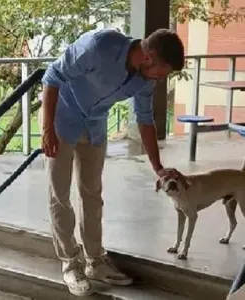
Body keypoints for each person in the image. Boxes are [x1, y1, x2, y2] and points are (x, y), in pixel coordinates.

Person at [40, 27, 187, 297]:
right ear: (149, 56)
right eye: (162, 72)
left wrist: (158, 167)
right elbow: (53, 76)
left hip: (94, 125)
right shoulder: (99, 46)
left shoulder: (145, 82)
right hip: (62, 119)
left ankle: (95, 261)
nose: (161, 79)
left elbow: (145, 120)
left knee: (92, 194)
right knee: (59, 195)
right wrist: (48, 128)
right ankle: (71, 264)